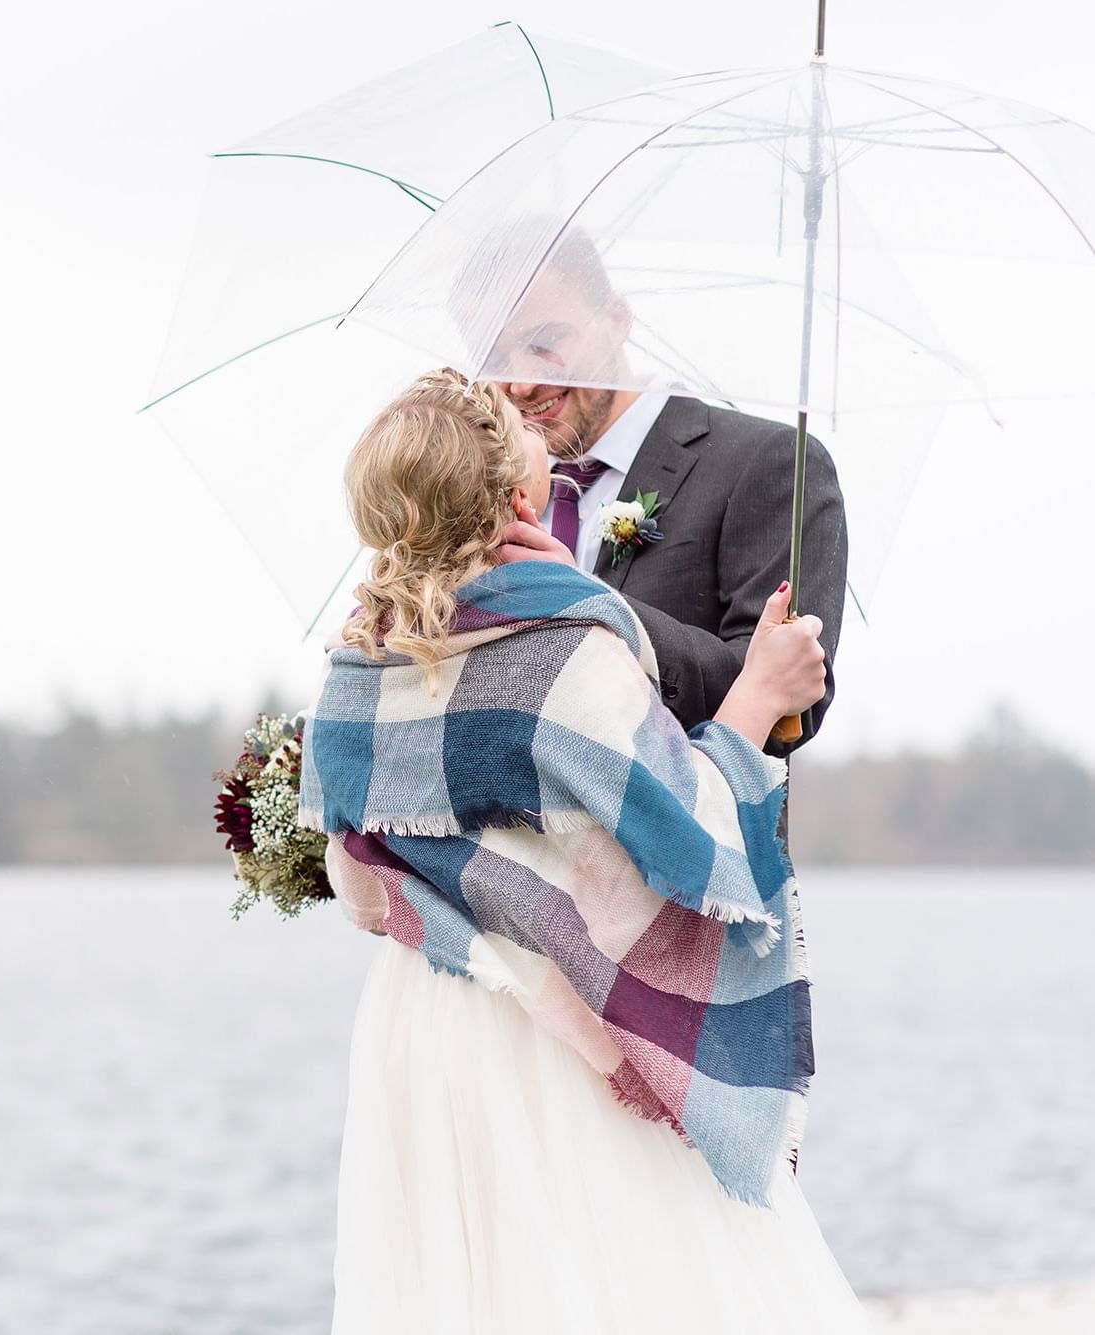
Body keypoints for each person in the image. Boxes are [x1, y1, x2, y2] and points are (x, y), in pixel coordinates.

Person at [299, 370, 868, 1334]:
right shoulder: (568, 654)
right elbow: (694, 841)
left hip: (423, 1026)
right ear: (520, 505)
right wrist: (760, 695)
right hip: (554, 1019)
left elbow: (355, 884)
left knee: (470, 1290)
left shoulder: (351, 672)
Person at [480, 232, 848, 754]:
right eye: (494, 356)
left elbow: (787, 709)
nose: (519, 382)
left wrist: (583, 602)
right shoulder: (488, 495)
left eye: (544, 342)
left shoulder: (767, 461)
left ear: (617, 317)